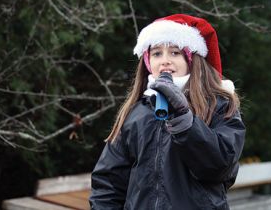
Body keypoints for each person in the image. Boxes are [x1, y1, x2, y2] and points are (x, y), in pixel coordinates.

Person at [89, 14, 246, 210]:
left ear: (192, 59)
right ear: (147, 62)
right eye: (156, 54)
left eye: (174, 53)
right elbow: (108, 184)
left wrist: (184, 119)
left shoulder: (219, 104)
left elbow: (221, 168)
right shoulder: (136, 113)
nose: (165, 61)